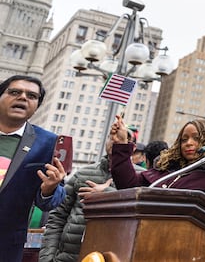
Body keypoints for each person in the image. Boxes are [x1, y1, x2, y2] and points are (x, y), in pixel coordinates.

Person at [39, 139, 143, 262]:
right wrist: (47, 257)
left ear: (132, 147)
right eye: (111, 136)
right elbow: (57, 217)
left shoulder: (140, 179)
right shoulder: (83, 173)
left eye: (121, 137)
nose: (115, 140)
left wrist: (106, 196)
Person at [0, 75, 66, 262]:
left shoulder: (48, 143)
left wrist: (49, 189)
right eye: (14, 92)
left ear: (37, 106)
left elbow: (52, 201)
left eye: (31, 96)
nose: (22, 98)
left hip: (5, 246)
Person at [109, 115, 205, 207]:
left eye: (196, 138)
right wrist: (121, 144)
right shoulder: (165, 171)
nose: (189, 143)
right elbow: (128, 184)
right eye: (184, 139)